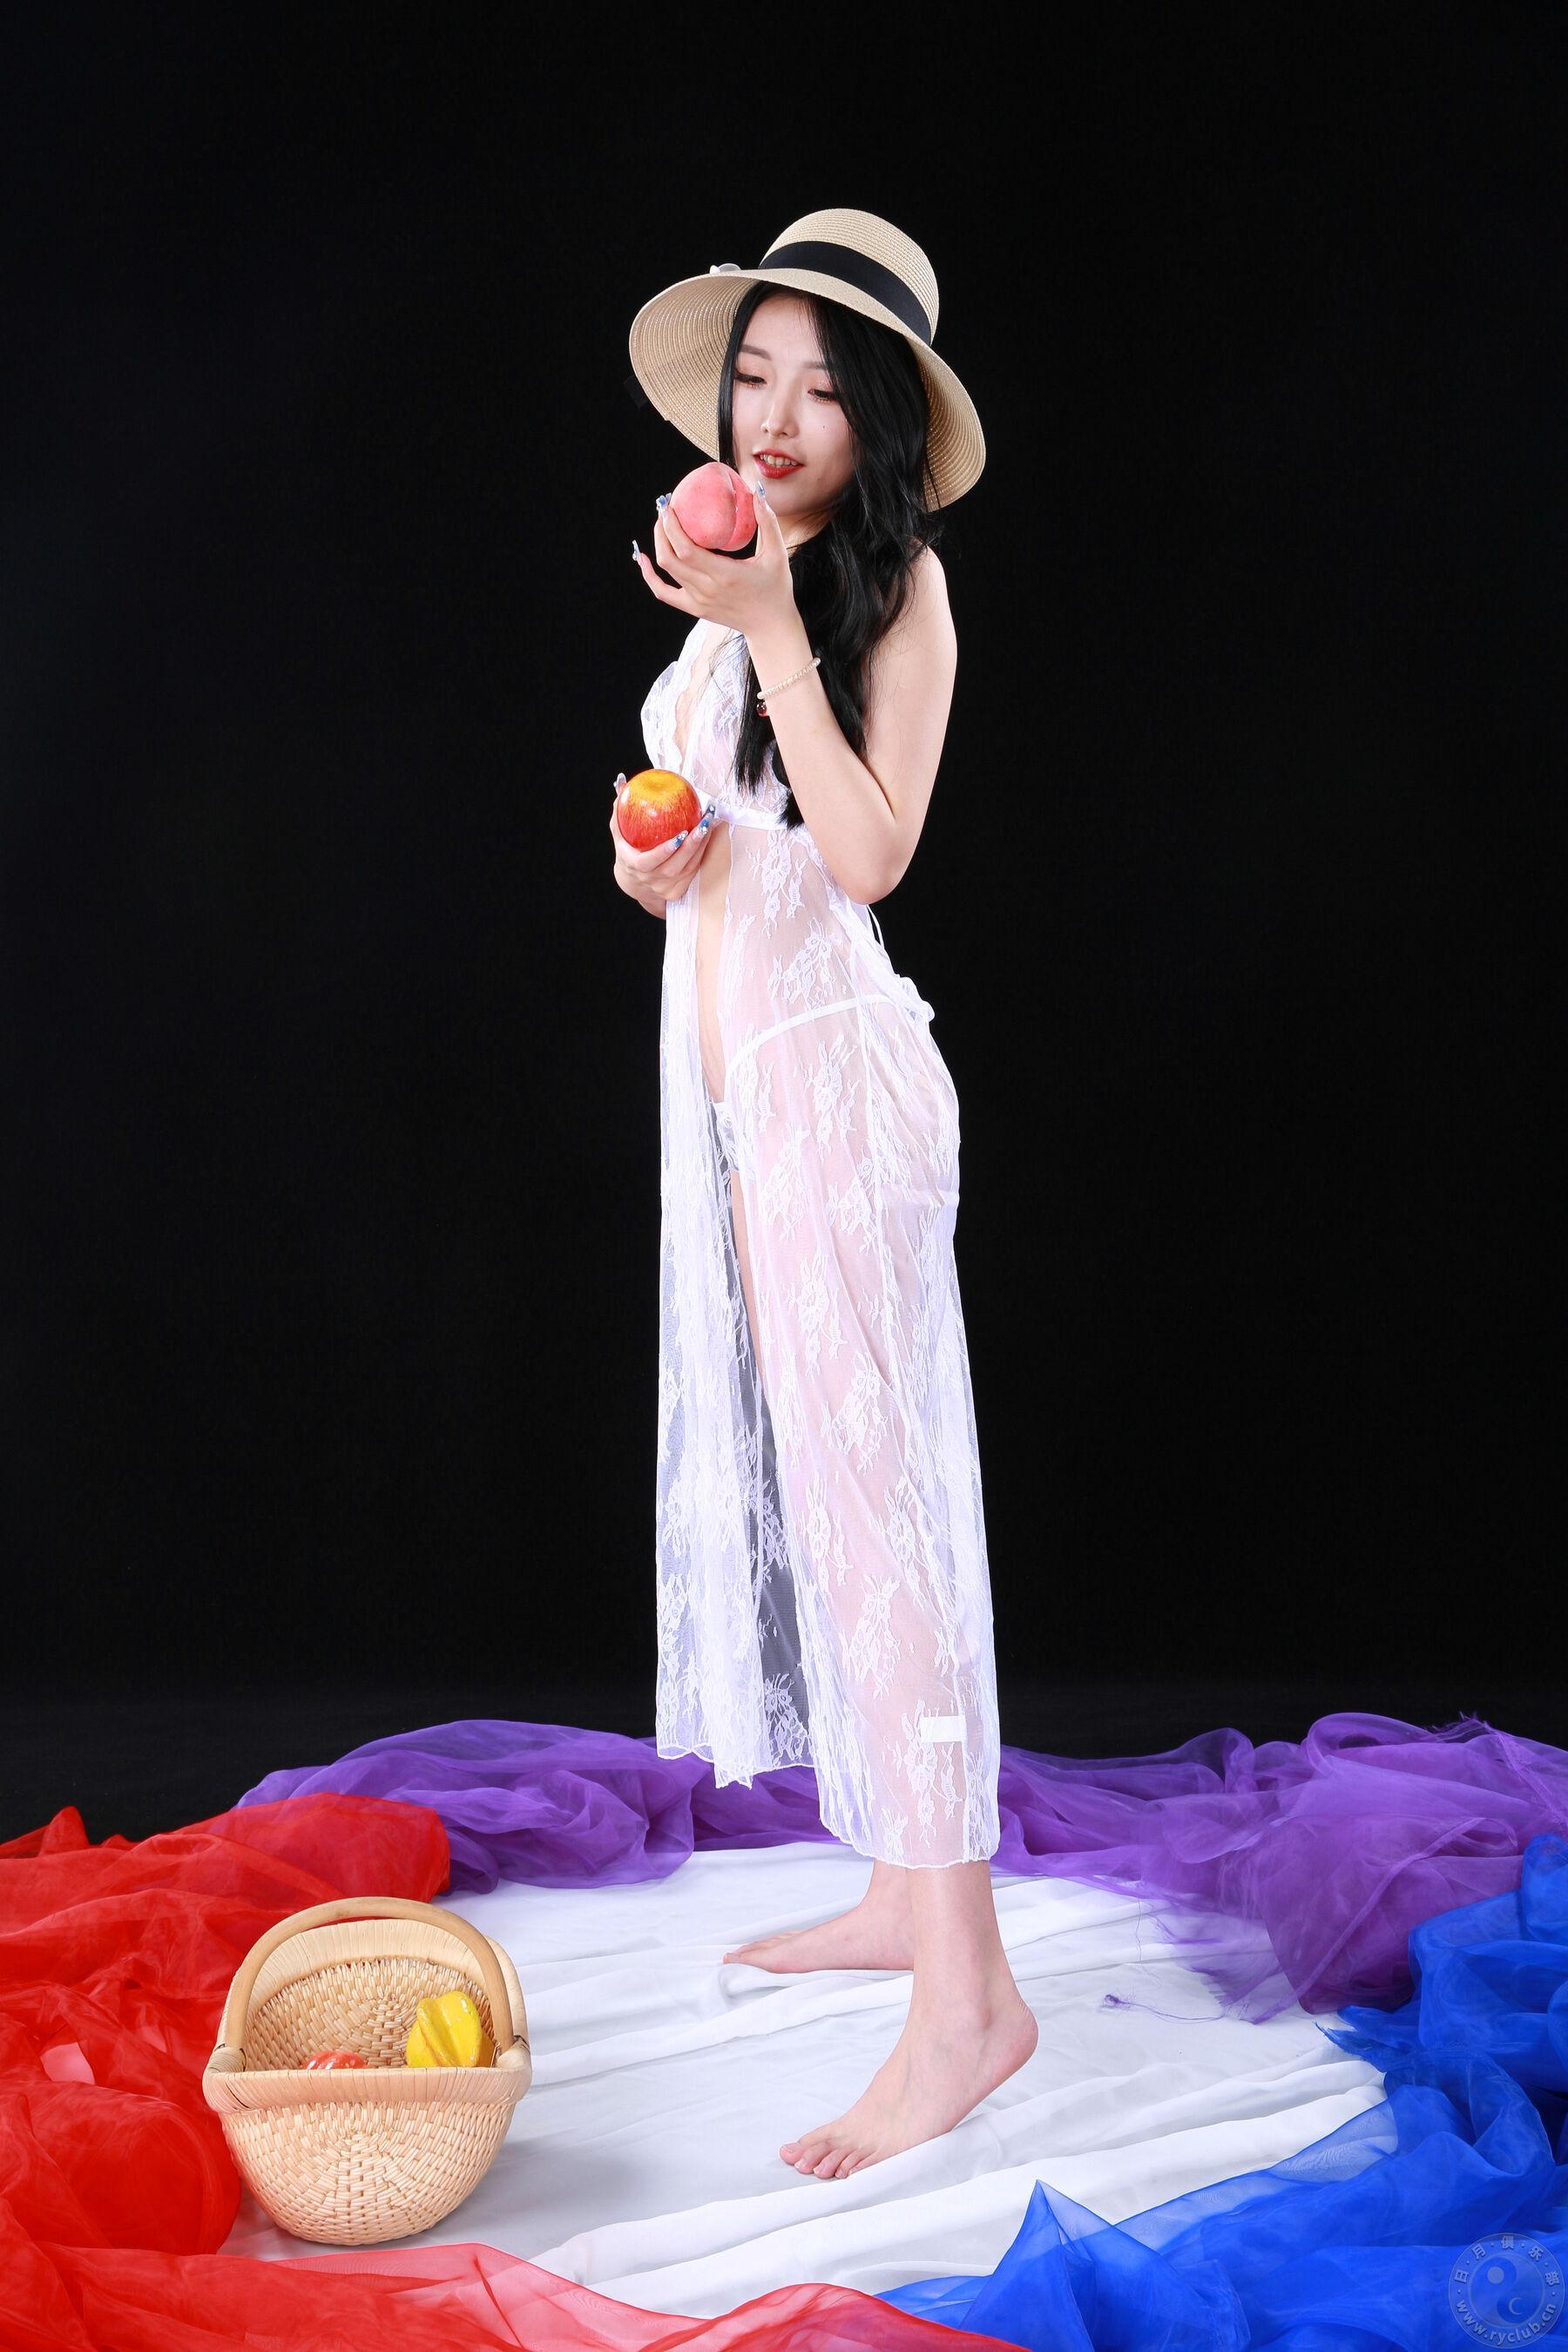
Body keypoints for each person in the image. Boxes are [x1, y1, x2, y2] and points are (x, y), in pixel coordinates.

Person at [609, 212, 1037, 2180]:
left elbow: (868, 858)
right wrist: (658, 860)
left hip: (841, 1105)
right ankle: (897, 1890)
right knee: (849, 1513)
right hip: (750, 1108)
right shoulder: (732, 594)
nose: (774, 419)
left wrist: (774, 622)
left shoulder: (894, 593)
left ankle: (971, 2005)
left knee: (882, 1533)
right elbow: (748, 848)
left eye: (820, 389)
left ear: (878, 422)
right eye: (754, 377)